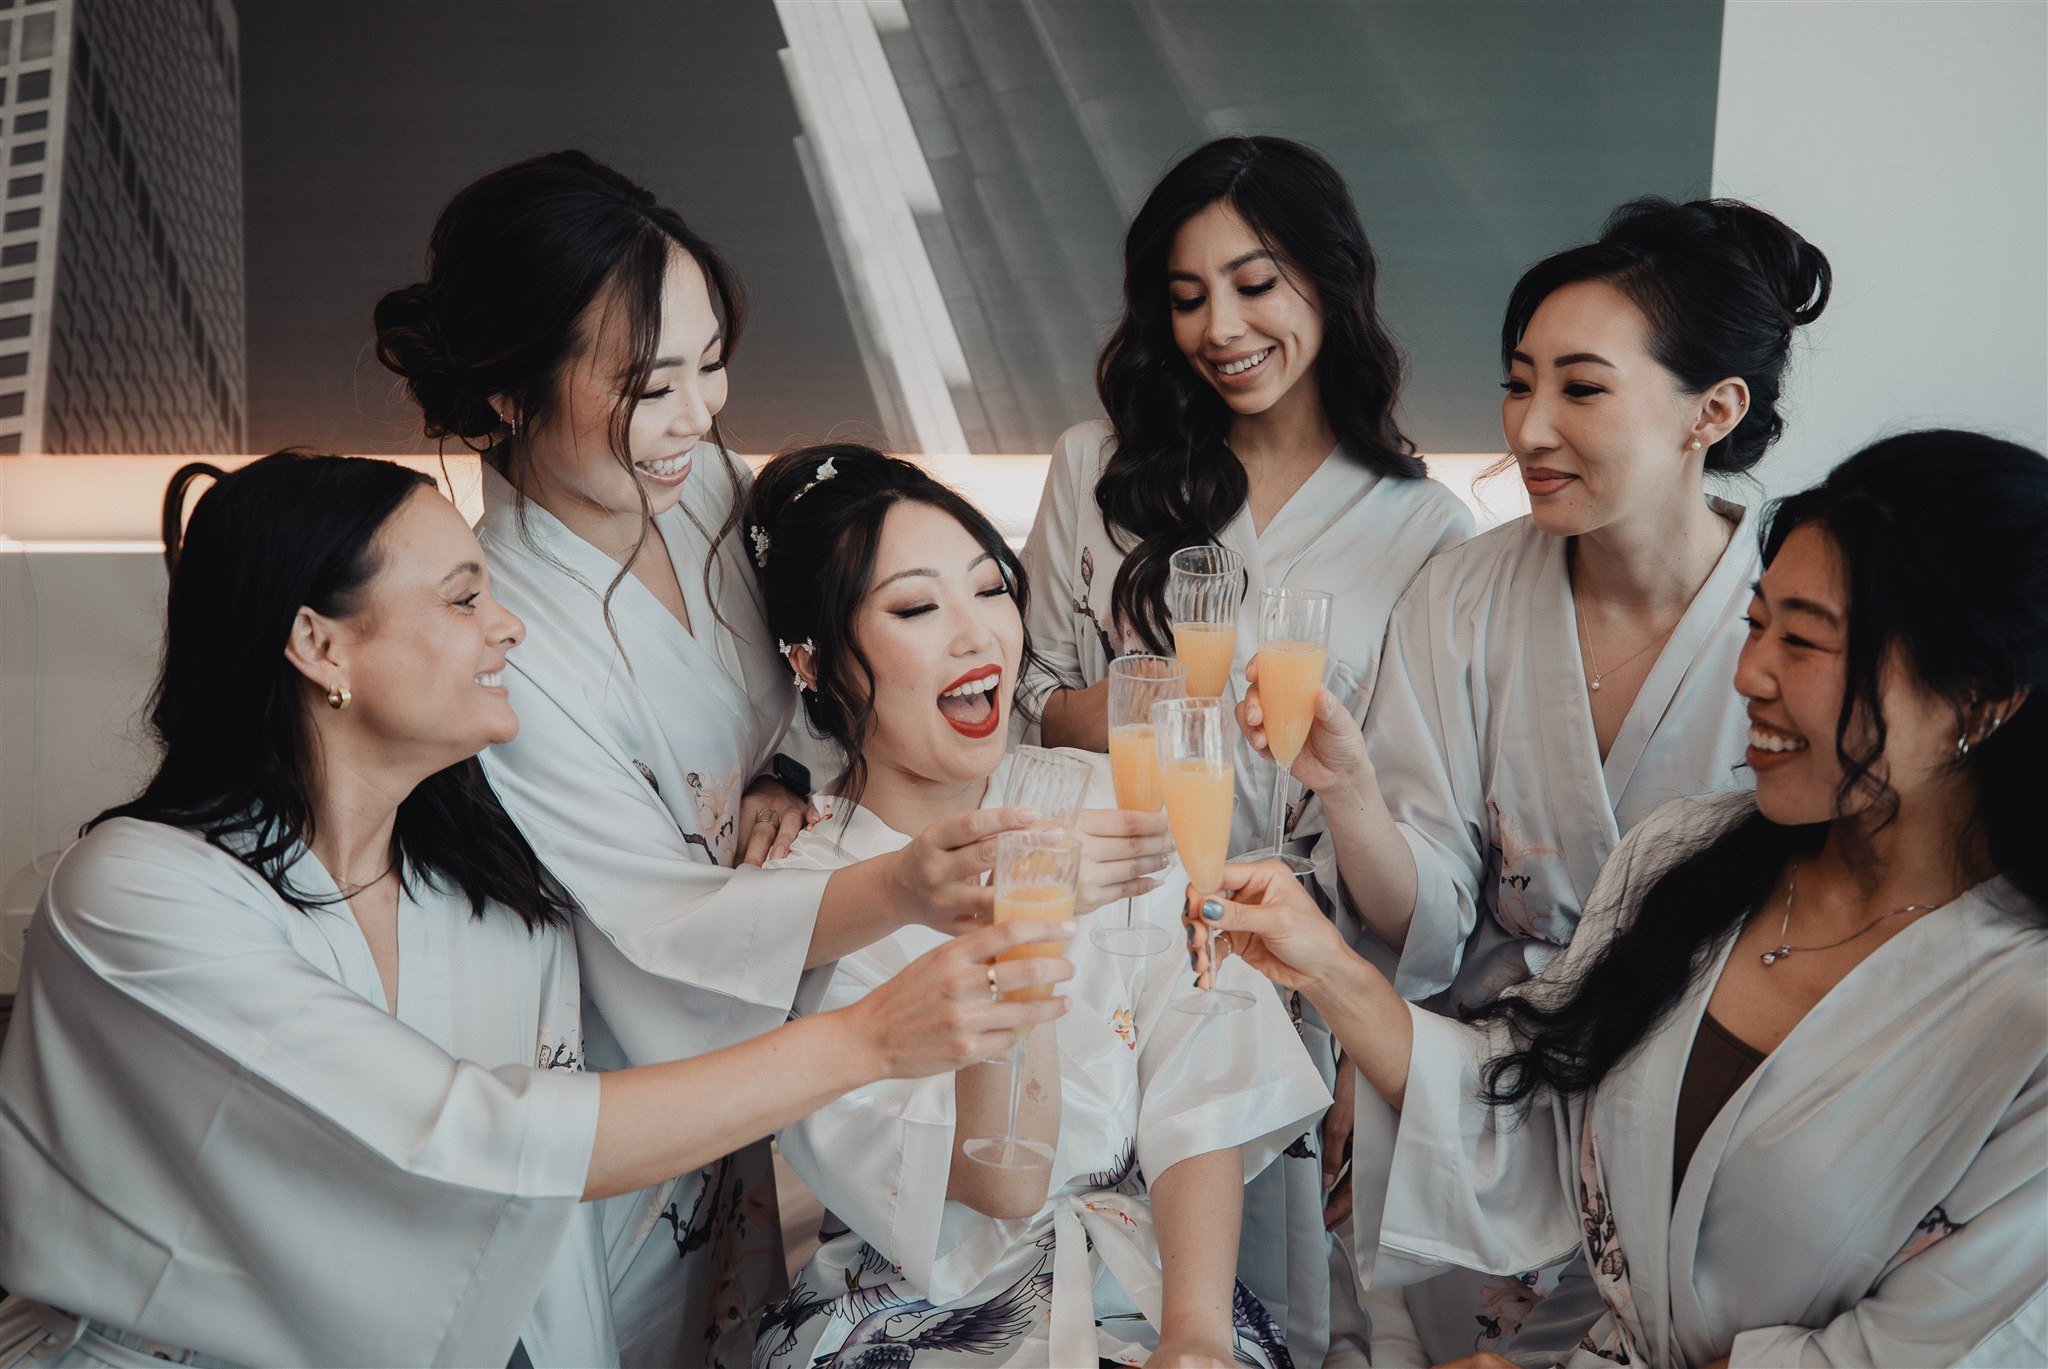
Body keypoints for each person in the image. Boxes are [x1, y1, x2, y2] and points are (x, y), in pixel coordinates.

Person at [0, 453, 1077, 1369]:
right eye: (464, 597)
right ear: (320, 644)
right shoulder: (138, 892)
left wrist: (780, 779)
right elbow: (474, 1137)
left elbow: (673, 993)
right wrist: (868, 1039)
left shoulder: (492, 900)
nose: (509, 626)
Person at [374, 152, 1048, 1363]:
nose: (697, 416)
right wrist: (904, 885)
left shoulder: (706, 494)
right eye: (650, 385)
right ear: (512, 392)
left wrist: (785, 772)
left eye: (709, 365)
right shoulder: (506, 628)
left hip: (791, 972)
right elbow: (660, 922)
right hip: (631, 1041)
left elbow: (813, 669)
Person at [1200, 430, 2048, 1367]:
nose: (1750, 674)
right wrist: (1325, 965)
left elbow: (1918, 1348)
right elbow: (1534, 1107)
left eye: (1805, 642)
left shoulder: (2027, 1020)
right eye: (1755, 624)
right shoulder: (1684, 859)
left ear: (1982, 696)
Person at [1238, 198, 1830, 1363]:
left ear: (1712, 410)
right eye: (1517, 384)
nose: (1528, 426)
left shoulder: (1794, 619)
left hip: (1684, 1117)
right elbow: (1424, 912)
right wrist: (1349, 787)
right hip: (1470, 1085)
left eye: (1580, 388)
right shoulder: (1463, 595)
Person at [1021, 134, 1472, 1361]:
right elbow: (1023, 702)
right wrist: (1153, 701)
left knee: (1302, 1319)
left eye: (1254, 282)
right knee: (1105, 1301)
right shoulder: (1094, 468)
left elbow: (1420, 819)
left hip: (1310, 961)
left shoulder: (1424, 527)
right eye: (1185, 297)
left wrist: (1365, 1015)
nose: (1219, 327)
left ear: (1329, 278)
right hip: (1119, 948)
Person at [743, 445, 1330, 1368]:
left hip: (1146, 1282)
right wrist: (1030, 910)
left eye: (990, 588)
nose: (978, 635)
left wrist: (1196, 1333)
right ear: (813, 660)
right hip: (914, 1316)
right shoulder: (806, 897)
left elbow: (1200, 1085)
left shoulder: (1108, 793)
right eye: (916, 608)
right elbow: (1003, 1179)